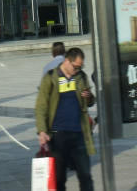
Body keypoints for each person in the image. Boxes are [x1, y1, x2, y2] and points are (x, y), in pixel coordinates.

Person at [35, 47, 95, 191]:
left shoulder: (81, 77)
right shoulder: (51, 77)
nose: (77, 70)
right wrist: (42, 130)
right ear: (67, 61)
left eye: (80, 67)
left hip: (79, 134)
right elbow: (41, 106)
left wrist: (89, 97)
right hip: (58, 135)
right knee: (59, 178)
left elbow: (90, 102)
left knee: (85, 175)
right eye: (75, 67)